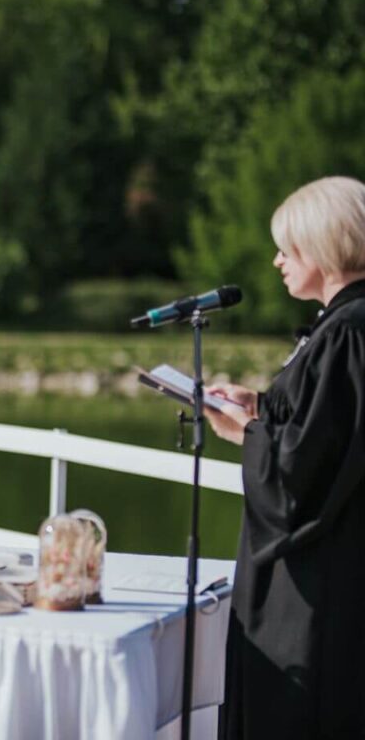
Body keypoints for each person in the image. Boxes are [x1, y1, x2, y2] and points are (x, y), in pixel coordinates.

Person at [205, 176, 365, 739]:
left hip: (318, 586)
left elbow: (305, 474)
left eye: (287, 248)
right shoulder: (344, 325)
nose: (277, 261)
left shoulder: (348, 332)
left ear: (324, 244)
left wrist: (248, 431)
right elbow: (325, 426)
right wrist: (262, 406)